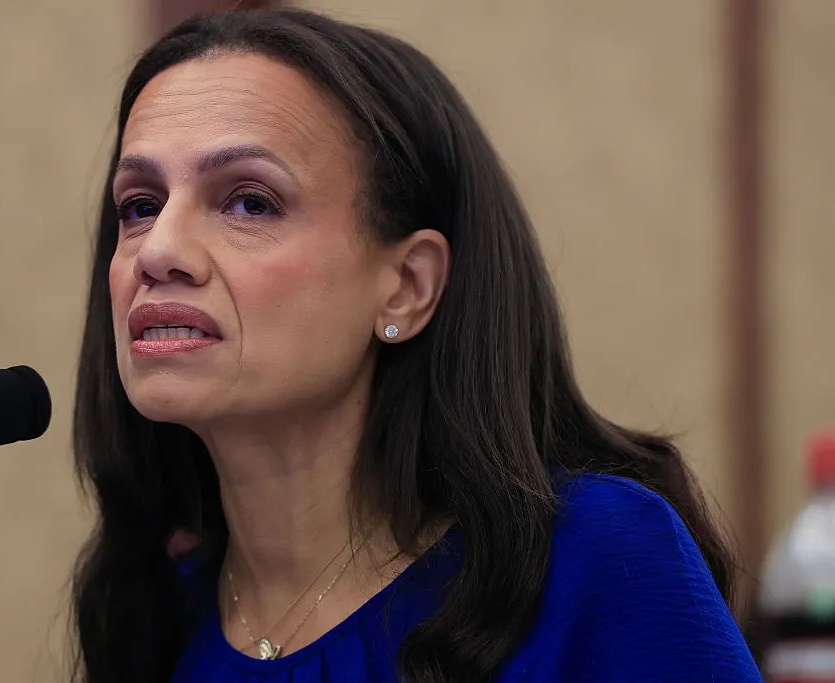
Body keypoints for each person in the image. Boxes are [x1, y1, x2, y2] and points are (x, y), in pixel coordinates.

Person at [69, 9, 762, 683]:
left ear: (406, 286)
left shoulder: (594, 559)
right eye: (140, 206)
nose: (157, 250)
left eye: (250, 201)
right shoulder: (150, 616)